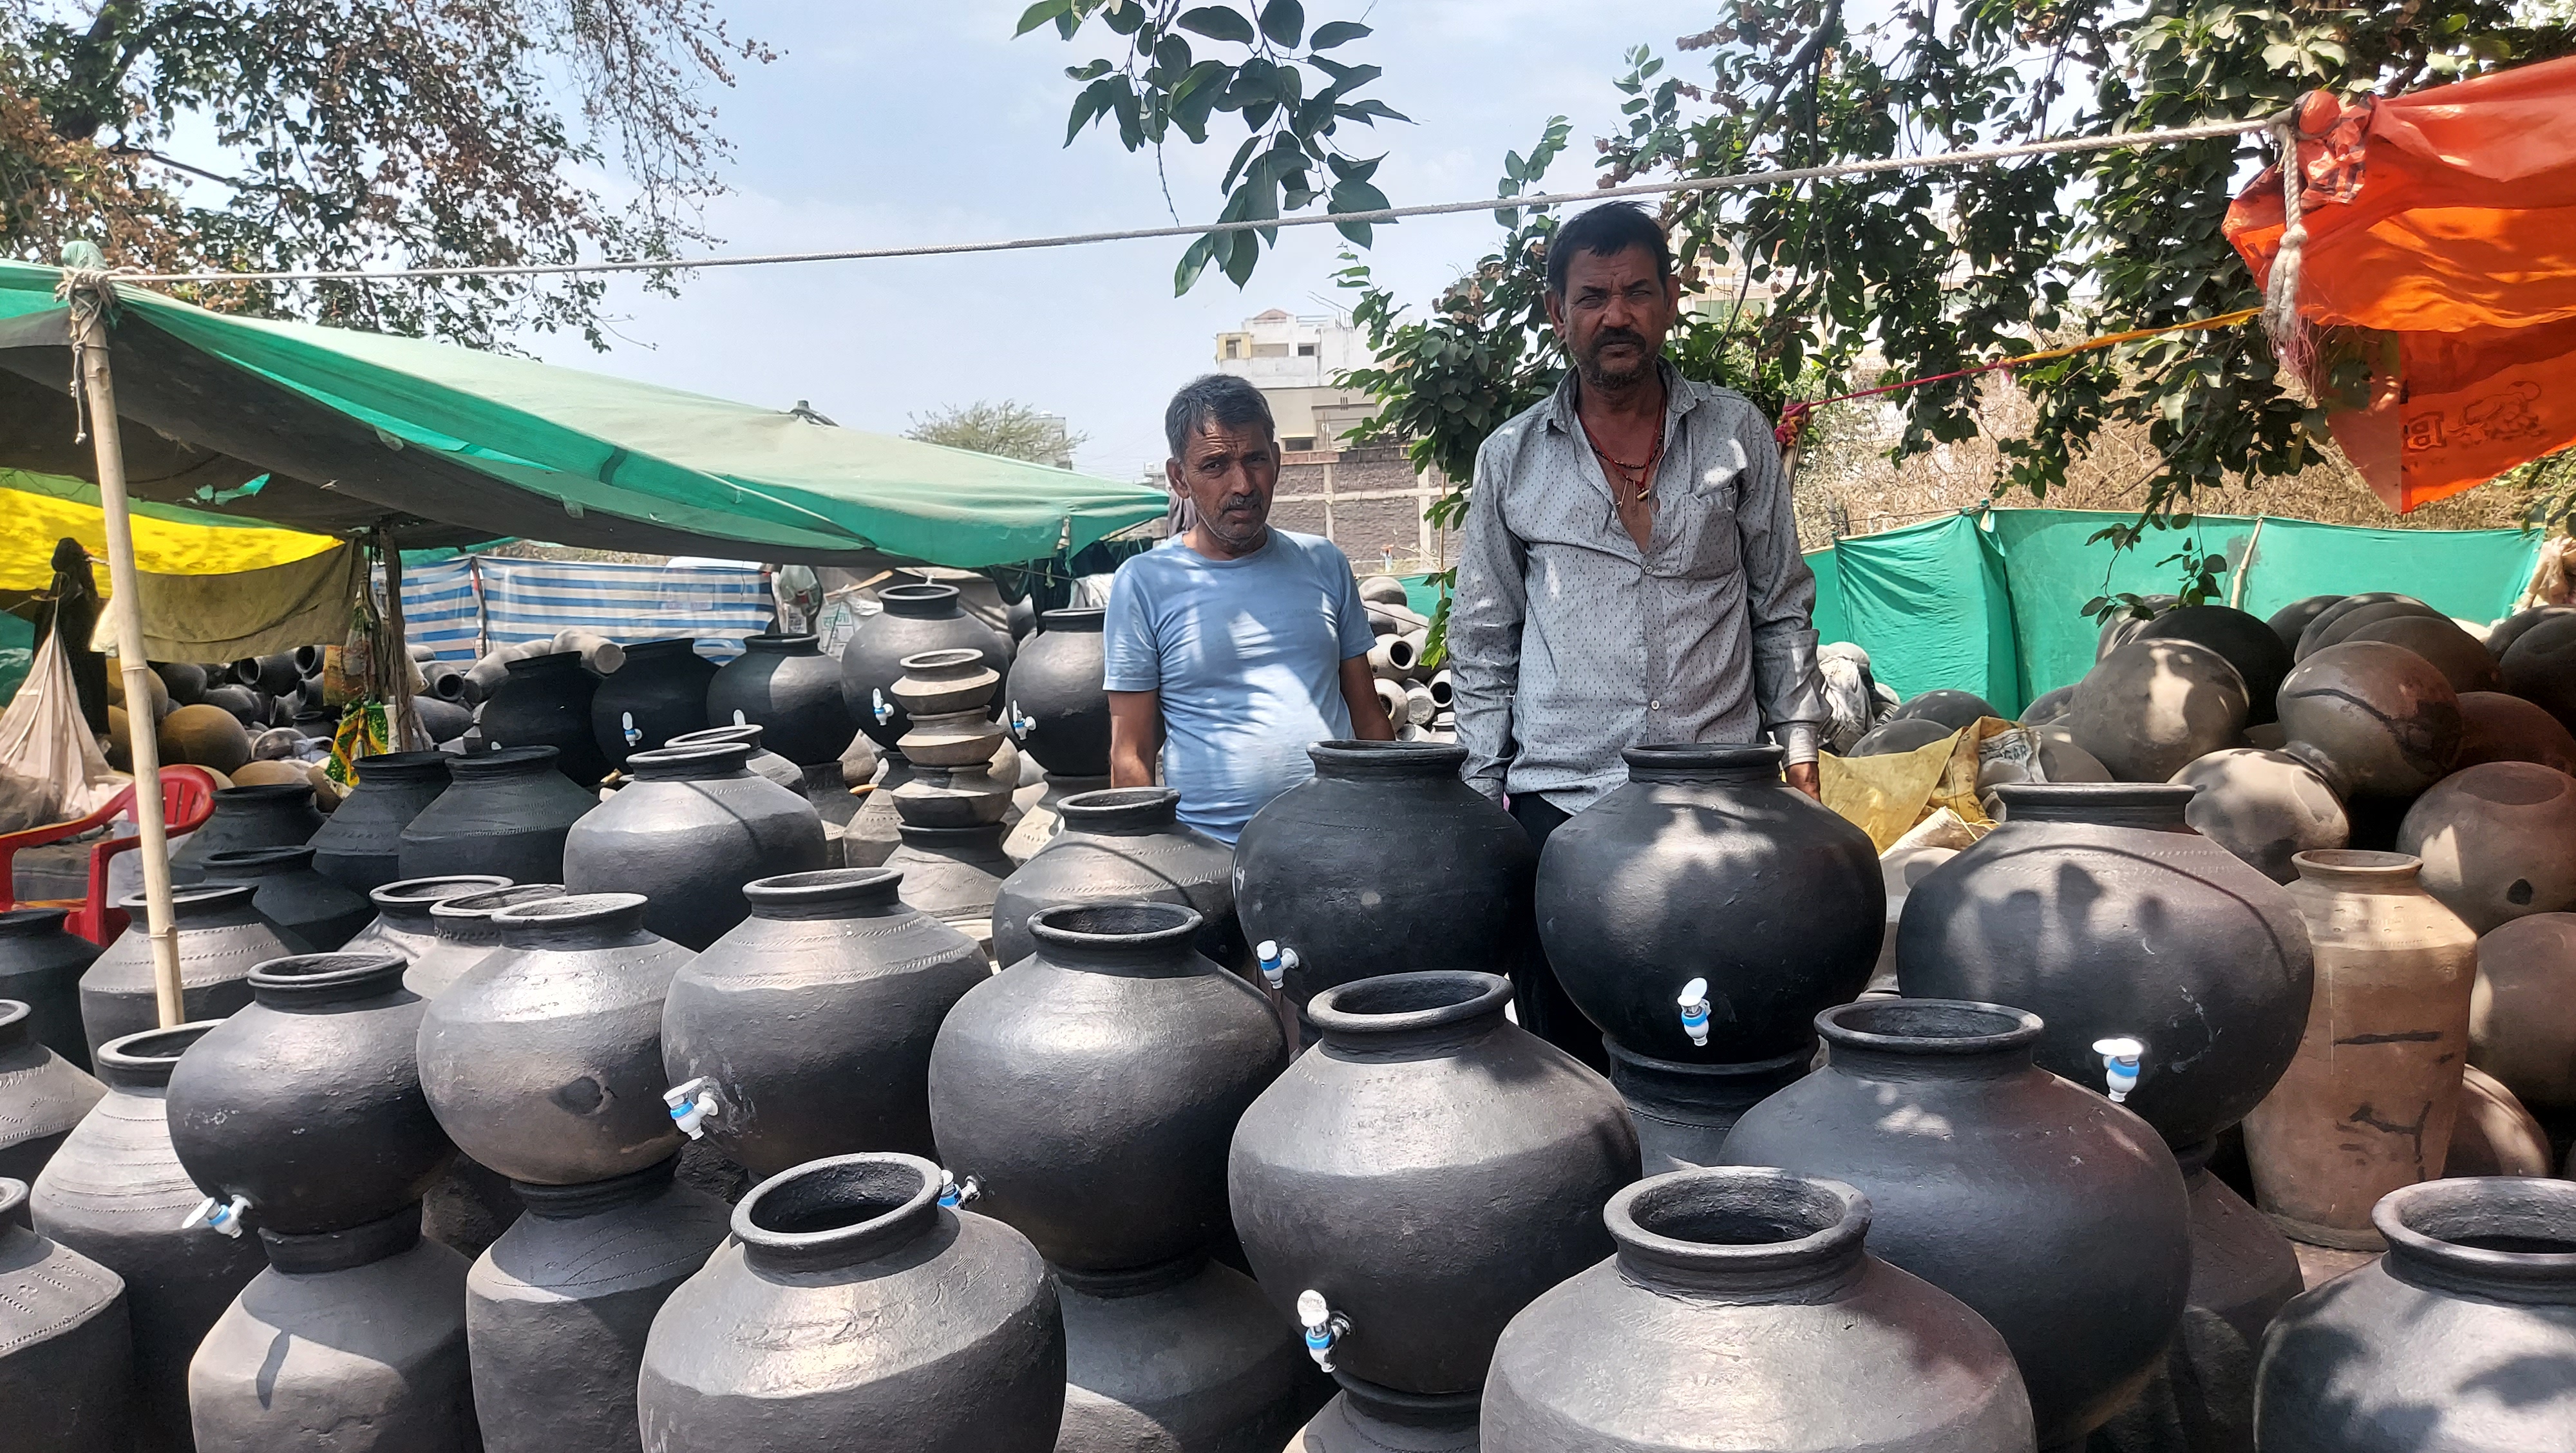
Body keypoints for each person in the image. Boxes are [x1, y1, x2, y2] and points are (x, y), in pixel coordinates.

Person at [1448, 201, 1832, 1060]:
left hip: (1722, 809)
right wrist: (1482, 813)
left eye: (1635, 292)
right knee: (1570, 1070)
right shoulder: (1512, 459)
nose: (1614, 315)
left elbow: (1781, 607)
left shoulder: (1736, 435)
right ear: (1557, 312)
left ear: (1670, 299)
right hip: (1565, 812)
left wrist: (1801, 765)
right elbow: (1482, 642)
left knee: (1727, 1052)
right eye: (1591, 296)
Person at [1104, 375, 1396, 844]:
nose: (1242, 484)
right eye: (1215, 465)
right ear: (1180, 478)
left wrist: (1396, 825)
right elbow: (1131, 752)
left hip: (1339, 847)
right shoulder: (1144, 584)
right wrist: (1148, 869)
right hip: (1211, 859)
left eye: (1255, 459)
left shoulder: (1324, 563)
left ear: (1277, 461)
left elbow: (1367, 715)